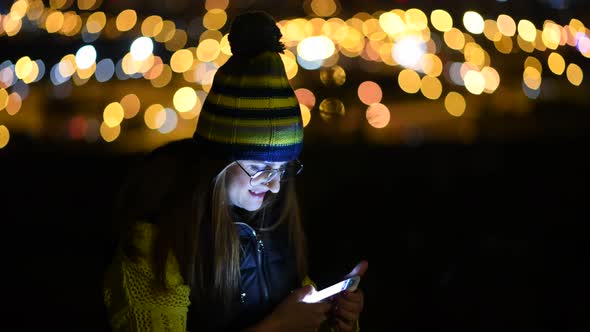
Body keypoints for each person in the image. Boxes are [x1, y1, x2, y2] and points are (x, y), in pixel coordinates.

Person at [102, 10, 367, 332]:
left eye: (282, 170)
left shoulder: (275, 225)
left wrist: (333, 321)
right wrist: (278, 327)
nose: (273, 186)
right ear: (217, 160)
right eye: (258, 168)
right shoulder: (157, 246)